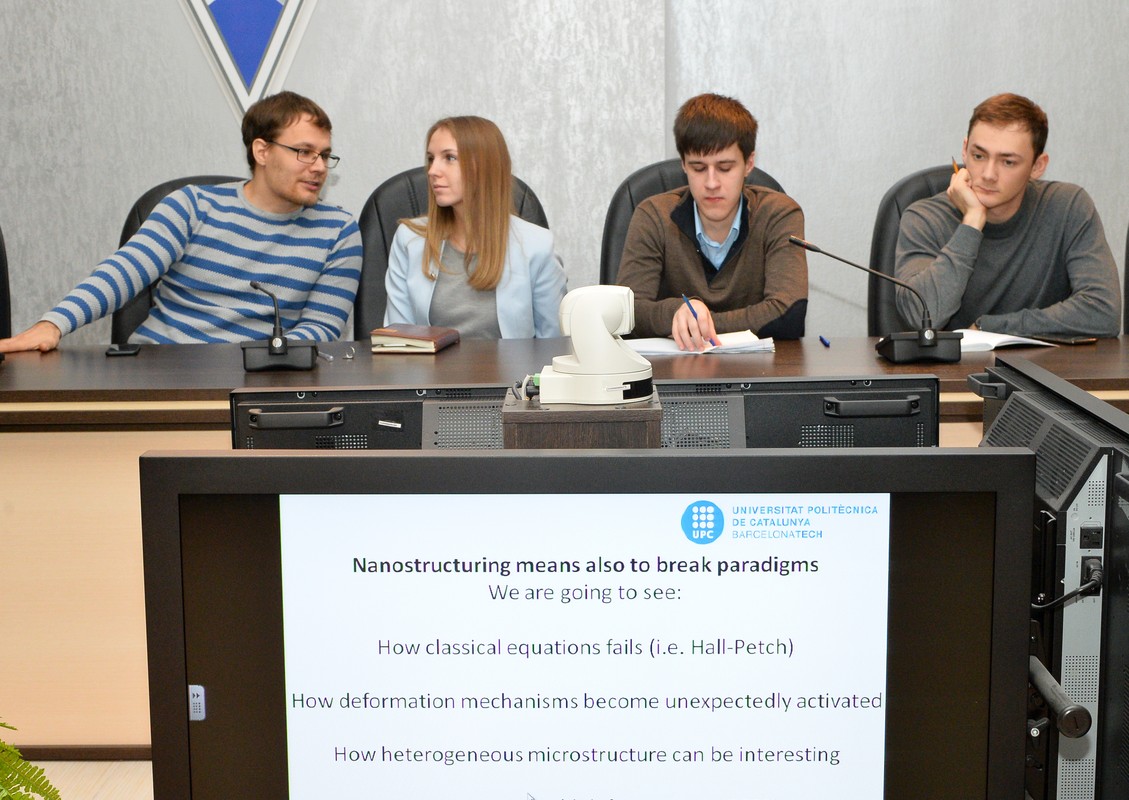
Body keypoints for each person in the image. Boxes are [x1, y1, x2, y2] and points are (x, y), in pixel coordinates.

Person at [0, 91, 362, 353]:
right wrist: (53, 324)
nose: (319, 167)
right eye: (304, 152)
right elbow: (124, 271)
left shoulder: (338, 231)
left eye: (324, 155)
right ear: (262, 151)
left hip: (260, 379)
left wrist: (265, 362)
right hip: (163, 368)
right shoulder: (193, 205)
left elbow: (321, 328)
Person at [895, 93, 1120, 337]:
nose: (988, 174)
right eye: (979, 156)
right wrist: (971, 222)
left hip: (1046, 362)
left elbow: (1103, 312)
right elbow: (922, 317)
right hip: (957, 363)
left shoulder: (1068, 208)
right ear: (964, 149)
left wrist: (990, 328)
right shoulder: (924, 219)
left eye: (1008, 162)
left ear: (1038, 166)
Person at [615, 93, 807, 351]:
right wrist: (676, 312)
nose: (712, 183)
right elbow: (627, 312)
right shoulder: (653, 217)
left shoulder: (779, 215)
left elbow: (788, 313)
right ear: (683, 165)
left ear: (749, 163)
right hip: (673, 370)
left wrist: (699, 324)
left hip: (758, 370)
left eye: (725, 168)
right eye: (698, 168)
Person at [384, 116, 566, 339]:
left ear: (485, 168)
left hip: (513, 364)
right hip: (430, 364)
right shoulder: (409, 240)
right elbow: (397, 341)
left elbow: (553, 345)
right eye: (431, 159)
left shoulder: (537, 246)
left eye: (449, 158)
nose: (432, 170)